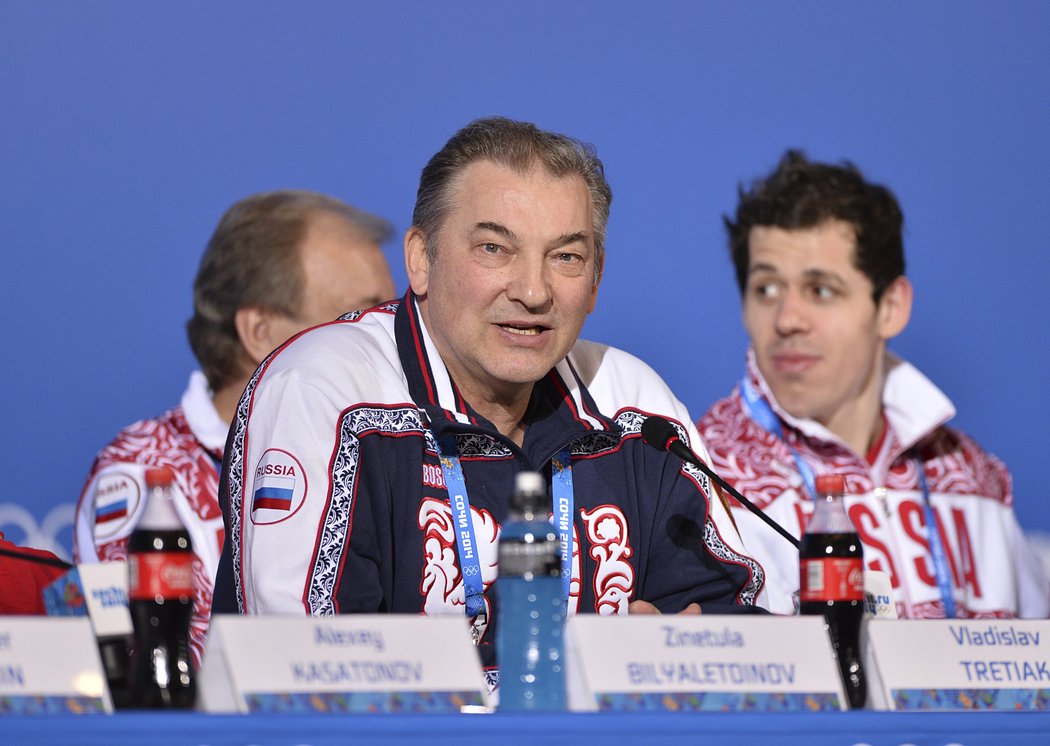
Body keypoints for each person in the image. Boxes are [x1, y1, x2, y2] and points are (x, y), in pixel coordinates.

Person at [212, 117, 764, 683]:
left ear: (596, 281)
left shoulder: (633, 406)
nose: (532, 291)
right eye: (494, 248)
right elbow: (307, 672)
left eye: (566, 257)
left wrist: (676, 661)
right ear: (421, 259)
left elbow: (740, 641)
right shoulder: (325, 391)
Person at [698, 150, 1049, 618]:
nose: (786, 319)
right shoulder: (705, 477)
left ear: (891, 307)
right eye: (766, 289)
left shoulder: (971, 477)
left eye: (821, 290)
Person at [74, 190, 397, 663]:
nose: (389, 339)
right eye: (357, 318)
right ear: (260, 333)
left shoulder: (402, 453)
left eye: (391, 317)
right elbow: (162, 671)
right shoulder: (146, 476)